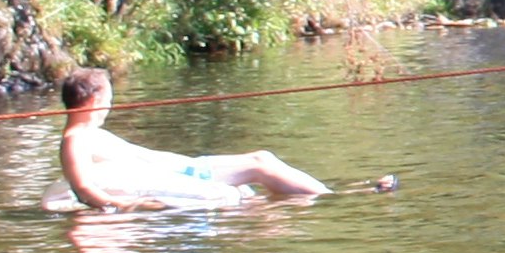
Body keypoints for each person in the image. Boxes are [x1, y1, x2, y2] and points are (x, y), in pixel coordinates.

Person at [55, 67, 334, 209]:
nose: (112, 105)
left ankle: (322, 195)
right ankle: (330, 200)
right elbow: (82, 188)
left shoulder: (91, 134)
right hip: (189, 175)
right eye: (109, 99)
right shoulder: (75, 139)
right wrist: (127, 206)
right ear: (94, 101)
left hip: (188, 169)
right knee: (261, 162)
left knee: (261, 167)